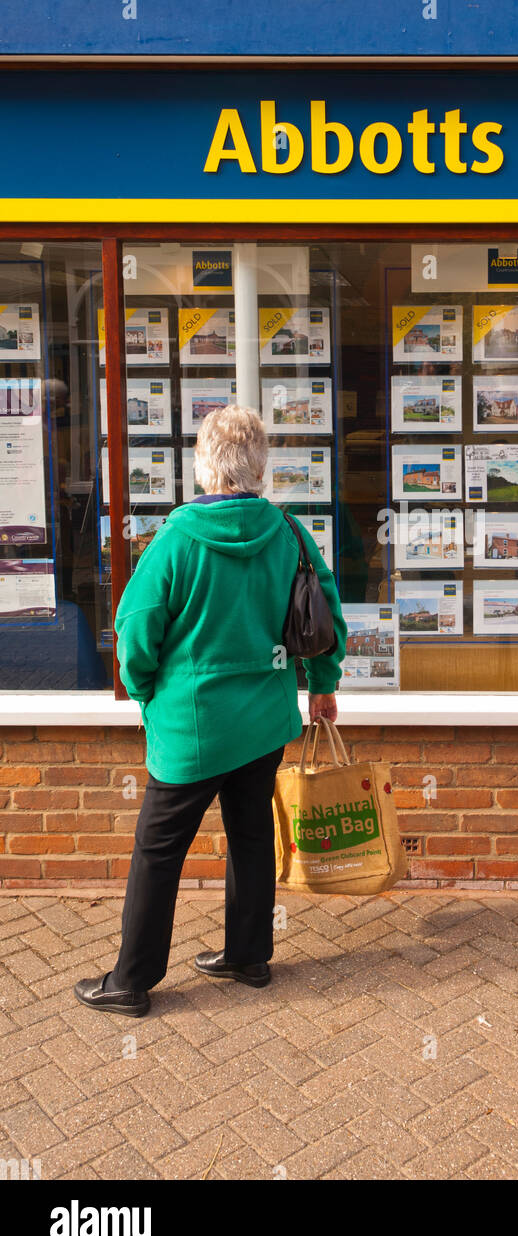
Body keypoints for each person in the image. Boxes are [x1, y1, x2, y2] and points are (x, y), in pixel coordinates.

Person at [74, 405, 346, 1018]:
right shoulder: (291, 534)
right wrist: (322, 688)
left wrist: (146, 693)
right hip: (265, 719)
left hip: (191, 727)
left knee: (158, 849)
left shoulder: (174, 540)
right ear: (259, 467)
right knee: (251, 835)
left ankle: (130, 981)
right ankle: (248, 956)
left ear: (203, 468)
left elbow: (136, 632)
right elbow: (325, 621)